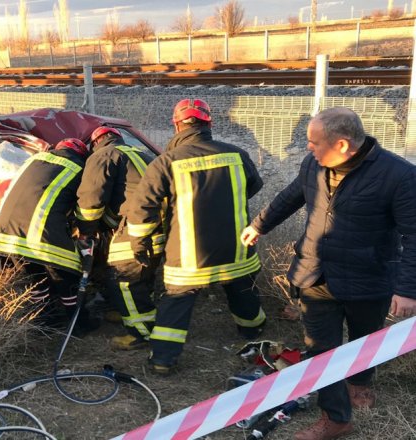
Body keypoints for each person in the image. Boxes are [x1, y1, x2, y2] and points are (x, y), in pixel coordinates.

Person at [240, 107, 416, 440]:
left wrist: (407, 288)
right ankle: (335, 418)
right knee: (321, 349)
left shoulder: (400, 176)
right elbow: (291, 196)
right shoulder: (314, 165)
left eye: (314, 142)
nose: (307, 148)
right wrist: (259, 225)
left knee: (365, 342)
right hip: (314, 275)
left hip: (369, 279)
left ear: (343, 145)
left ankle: (360, 383)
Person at [127, 98, 266, 375]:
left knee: (176, 302)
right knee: (242, 289)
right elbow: (254, 186)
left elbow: (142, 208)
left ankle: (163, 360)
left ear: (177, 125)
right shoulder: (237, 154)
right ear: (209, 123)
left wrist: (139, 243)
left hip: (189, 255)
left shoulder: (165, 162)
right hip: (236, 249)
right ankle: (253, 331)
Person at [0, 138, 99, 335]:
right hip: (39, 231)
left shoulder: (33, 160)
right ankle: (78, 324)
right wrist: (86, 230)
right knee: (67, 275)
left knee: (35, 278)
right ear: (82, 154)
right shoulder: (79, 167)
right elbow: (84, 205)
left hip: (4, 232)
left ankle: (46, 321)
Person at [75, 126, 164, 350]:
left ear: (96, 142)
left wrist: (86, 230)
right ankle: (128, 311)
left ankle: (141, 333)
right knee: (143, 275)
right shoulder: (138, 154)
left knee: (124, 279)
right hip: (160, 226)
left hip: (137, 227)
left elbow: (91, 199)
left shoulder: (103, 155)